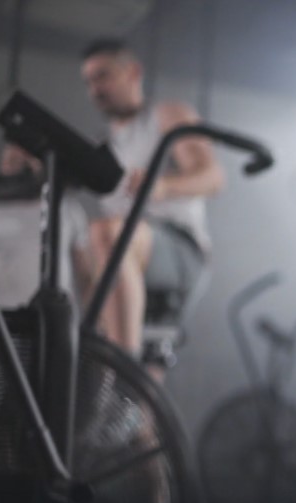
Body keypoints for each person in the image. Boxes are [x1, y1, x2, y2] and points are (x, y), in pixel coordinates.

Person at [79, 38, 224, 357]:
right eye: (89, 81)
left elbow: (213, 177)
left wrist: (161, 186)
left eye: (103, 76)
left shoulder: (167, 116)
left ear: (133, 72)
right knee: (74, 243)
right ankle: (98, 352)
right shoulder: (104, 144)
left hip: (178, 249)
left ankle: (121, 367)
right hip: (124, 260)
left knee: (106, 232)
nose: (95, 89)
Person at [0, 143, 93, 310]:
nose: (20, 160)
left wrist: (96, 325)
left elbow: (85, 276)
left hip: (57, 322)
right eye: (12, 158)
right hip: (5, 321)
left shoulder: (67, 209)